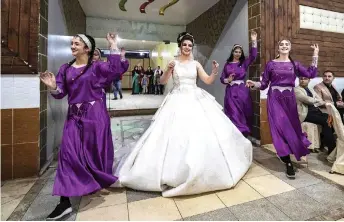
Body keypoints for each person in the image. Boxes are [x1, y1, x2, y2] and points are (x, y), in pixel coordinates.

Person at [114, 32, 252, 197]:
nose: (187, 47)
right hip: (177, 99)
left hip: (195, 98)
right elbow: (162, 81)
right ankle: (174, 171)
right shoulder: (173, 63)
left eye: (189, 45)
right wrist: (169, 69)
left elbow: (207, 80)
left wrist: (215, 71)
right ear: (180, 46)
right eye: (184, 45)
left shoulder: (195, 64)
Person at [39, 32, 128, 220]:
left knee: (93, 154)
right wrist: (53, 86)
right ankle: (64, 203)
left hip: (95, 117)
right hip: (73, 117)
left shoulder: (96, 67)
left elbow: (115, 70)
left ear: (86, 48)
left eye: (76, 44)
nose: (72, 46)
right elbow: (60, 93)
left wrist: (113, 45)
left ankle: (92, 181)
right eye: (72, 43)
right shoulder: (65, 69)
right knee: (67, 155)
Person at [246, 40, 319, 179]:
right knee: (280, 128)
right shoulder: (271, 64)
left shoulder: (294, 64)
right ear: (278, 48)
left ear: (290, 48)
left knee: (291, 128)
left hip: (290, 99)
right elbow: (263, 84)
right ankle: (287, 162)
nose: (284, 46)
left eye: (287, 44)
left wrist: (315, 54)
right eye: (281, 44)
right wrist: (253, 83)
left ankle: (289, 153)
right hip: (274, 99)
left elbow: (311, 74)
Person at [220, 31, 258, 137]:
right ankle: (235, 134)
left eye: (239, 52)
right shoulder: (227, 65)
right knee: (233, 112)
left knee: (243, 111)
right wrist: (228, 80)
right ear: (232, 52)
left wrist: (254, 40)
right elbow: (222, 79)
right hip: (231, 91)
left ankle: (243, 134)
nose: (238, 53)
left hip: (242, 91)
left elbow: (253, 56)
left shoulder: (243, 63)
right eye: (236, 51)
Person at [294, 77, 336, 154]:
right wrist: (317, 100)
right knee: (326, 121)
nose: (303, 80)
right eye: (301, 79)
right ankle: (331, 148)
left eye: (305, 79)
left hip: (315, 111)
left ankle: (325, 142)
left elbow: (319, 99)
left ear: (309, 80)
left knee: (330, 118)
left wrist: (326, 103)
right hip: (305, 114)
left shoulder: (310, 89)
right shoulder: (296, 90)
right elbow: (309, 100)